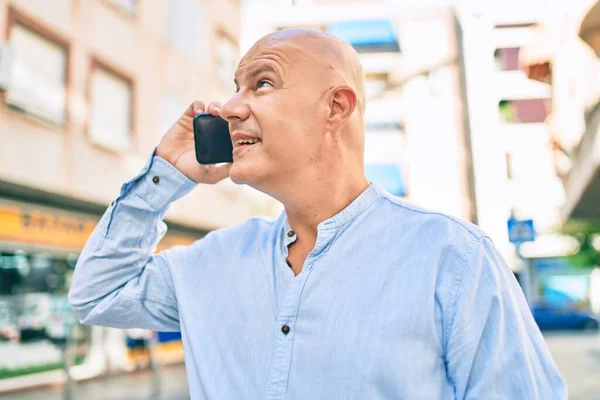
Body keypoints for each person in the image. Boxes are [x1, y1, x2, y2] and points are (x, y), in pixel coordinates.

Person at [68, 29, 566, 399]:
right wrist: (163, 177)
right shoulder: (211, 262)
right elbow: (96, 294)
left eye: (261, 84)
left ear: (336, 108)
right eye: (235, 86)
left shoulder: (453, 259)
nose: (229, 107)